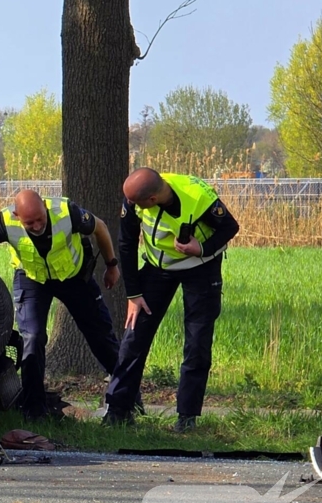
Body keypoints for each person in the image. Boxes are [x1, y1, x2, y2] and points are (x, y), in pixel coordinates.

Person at [0, 188, 123, 421]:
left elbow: (100, 227)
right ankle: (34, 411)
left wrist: (111, 265)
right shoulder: (5, 221)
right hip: (33, 280)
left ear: (45, 207)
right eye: (29, 223)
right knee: (32, 339)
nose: (36, 226)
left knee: (101, 336)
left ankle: (126, 400)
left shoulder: (67, 212)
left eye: (39, 219)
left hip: (74, 278)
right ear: (17, 216)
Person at [103, 168, 240, 432]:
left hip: (201, 269)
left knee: (197, 342)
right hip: (158, 269)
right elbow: (126, 244)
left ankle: (187, 417)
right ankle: (118, 411)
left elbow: (230, 227)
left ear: (152, 199)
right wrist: (134, 294)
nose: (130, 205)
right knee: (134, 336)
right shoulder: (134, 199)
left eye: (136, 203)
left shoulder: (198, 197)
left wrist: (202, 249)